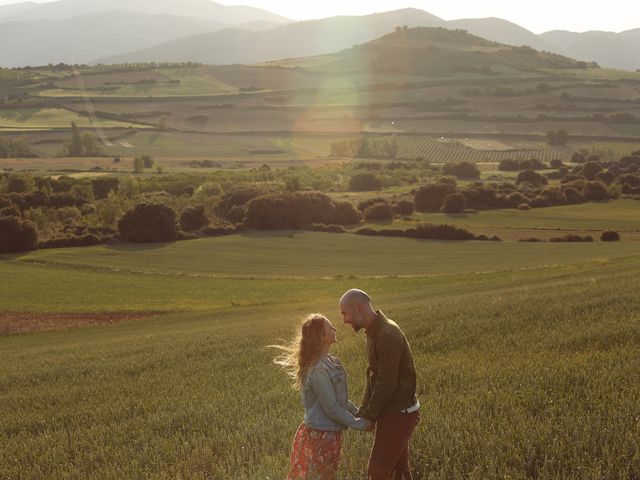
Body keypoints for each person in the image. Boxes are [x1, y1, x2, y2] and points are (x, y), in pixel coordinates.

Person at [271, 313, 371, 480]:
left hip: (330, 435)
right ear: (321, 337)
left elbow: (341, 402)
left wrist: (360, 413)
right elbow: (331, 408)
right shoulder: (317, 369)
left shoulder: (332, 362)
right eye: (330, 328)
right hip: (319, 436)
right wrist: (359, 424)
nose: (335, 329)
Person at [339, 289, 419, 480]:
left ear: (360, 307)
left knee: (378, 471)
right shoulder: (375, 332)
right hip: (393, 411)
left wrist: (369, 417)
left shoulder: (386, 334)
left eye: (345, 313)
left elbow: (386, 382)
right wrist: (365, 411)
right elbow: (374, 375)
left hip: (399, 413)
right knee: (399, 472)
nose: (344, 320)